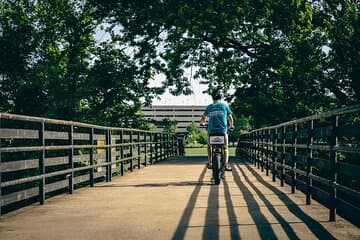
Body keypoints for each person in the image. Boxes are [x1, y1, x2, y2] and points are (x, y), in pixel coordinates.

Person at [200, 88, 234, 171]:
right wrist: (231, 125)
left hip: (211, 132)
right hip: (222, 131)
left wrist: (202, 123)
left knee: (209, 147)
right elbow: (230, 117)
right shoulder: (225, 106)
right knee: (225, 148)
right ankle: (226, 165)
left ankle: (210, 162)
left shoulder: (209, 107)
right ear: (221, 97)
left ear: (212, 98)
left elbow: (203, 118)